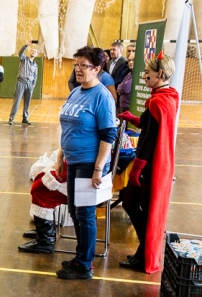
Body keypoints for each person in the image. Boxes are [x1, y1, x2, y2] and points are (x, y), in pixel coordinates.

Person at [55, 46, 117, 280]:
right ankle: (82, 256)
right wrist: (61, 155)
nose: (78, 70)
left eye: (84, 65)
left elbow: (108, 135)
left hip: (90, 162)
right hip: (74, 160)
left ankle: (84, 264)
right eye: (76, 65)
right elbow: (67, 126)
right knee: (74, 210)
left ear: (97, 69)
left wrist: (99, 168)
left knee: (85, 213)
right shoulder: (77, 92)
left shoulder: (102, 96)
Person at [118, 53, 179, 273]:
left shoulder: (158, 100)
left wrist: (136, 169)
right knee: (132, 204)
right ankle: (144, 252)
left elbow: (149, 138)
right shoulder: (167, 96)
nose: (144, 77)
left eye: (147, 73)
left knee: (131, 203)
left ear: (160, 74)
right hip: (157, 165)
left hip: (150, 167)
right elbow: (148, 124)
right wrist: (131, 118)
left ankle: (145, 254)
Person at [9, 41, 38, 125]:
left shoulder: (35, 64)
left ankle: (25, 118)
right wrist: (26, 45)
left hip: (30, 84)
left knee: (27, 102)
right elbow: (20, 53)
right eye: (32, 50)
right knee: (17, 101)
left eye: (35, 51)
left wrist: (33, 84)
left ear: (36, 54)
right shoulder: (24, 59)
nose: (33, 52)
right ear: (30, 52)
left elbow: (35, 75)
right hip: (21, 82)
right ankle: (11, 117)